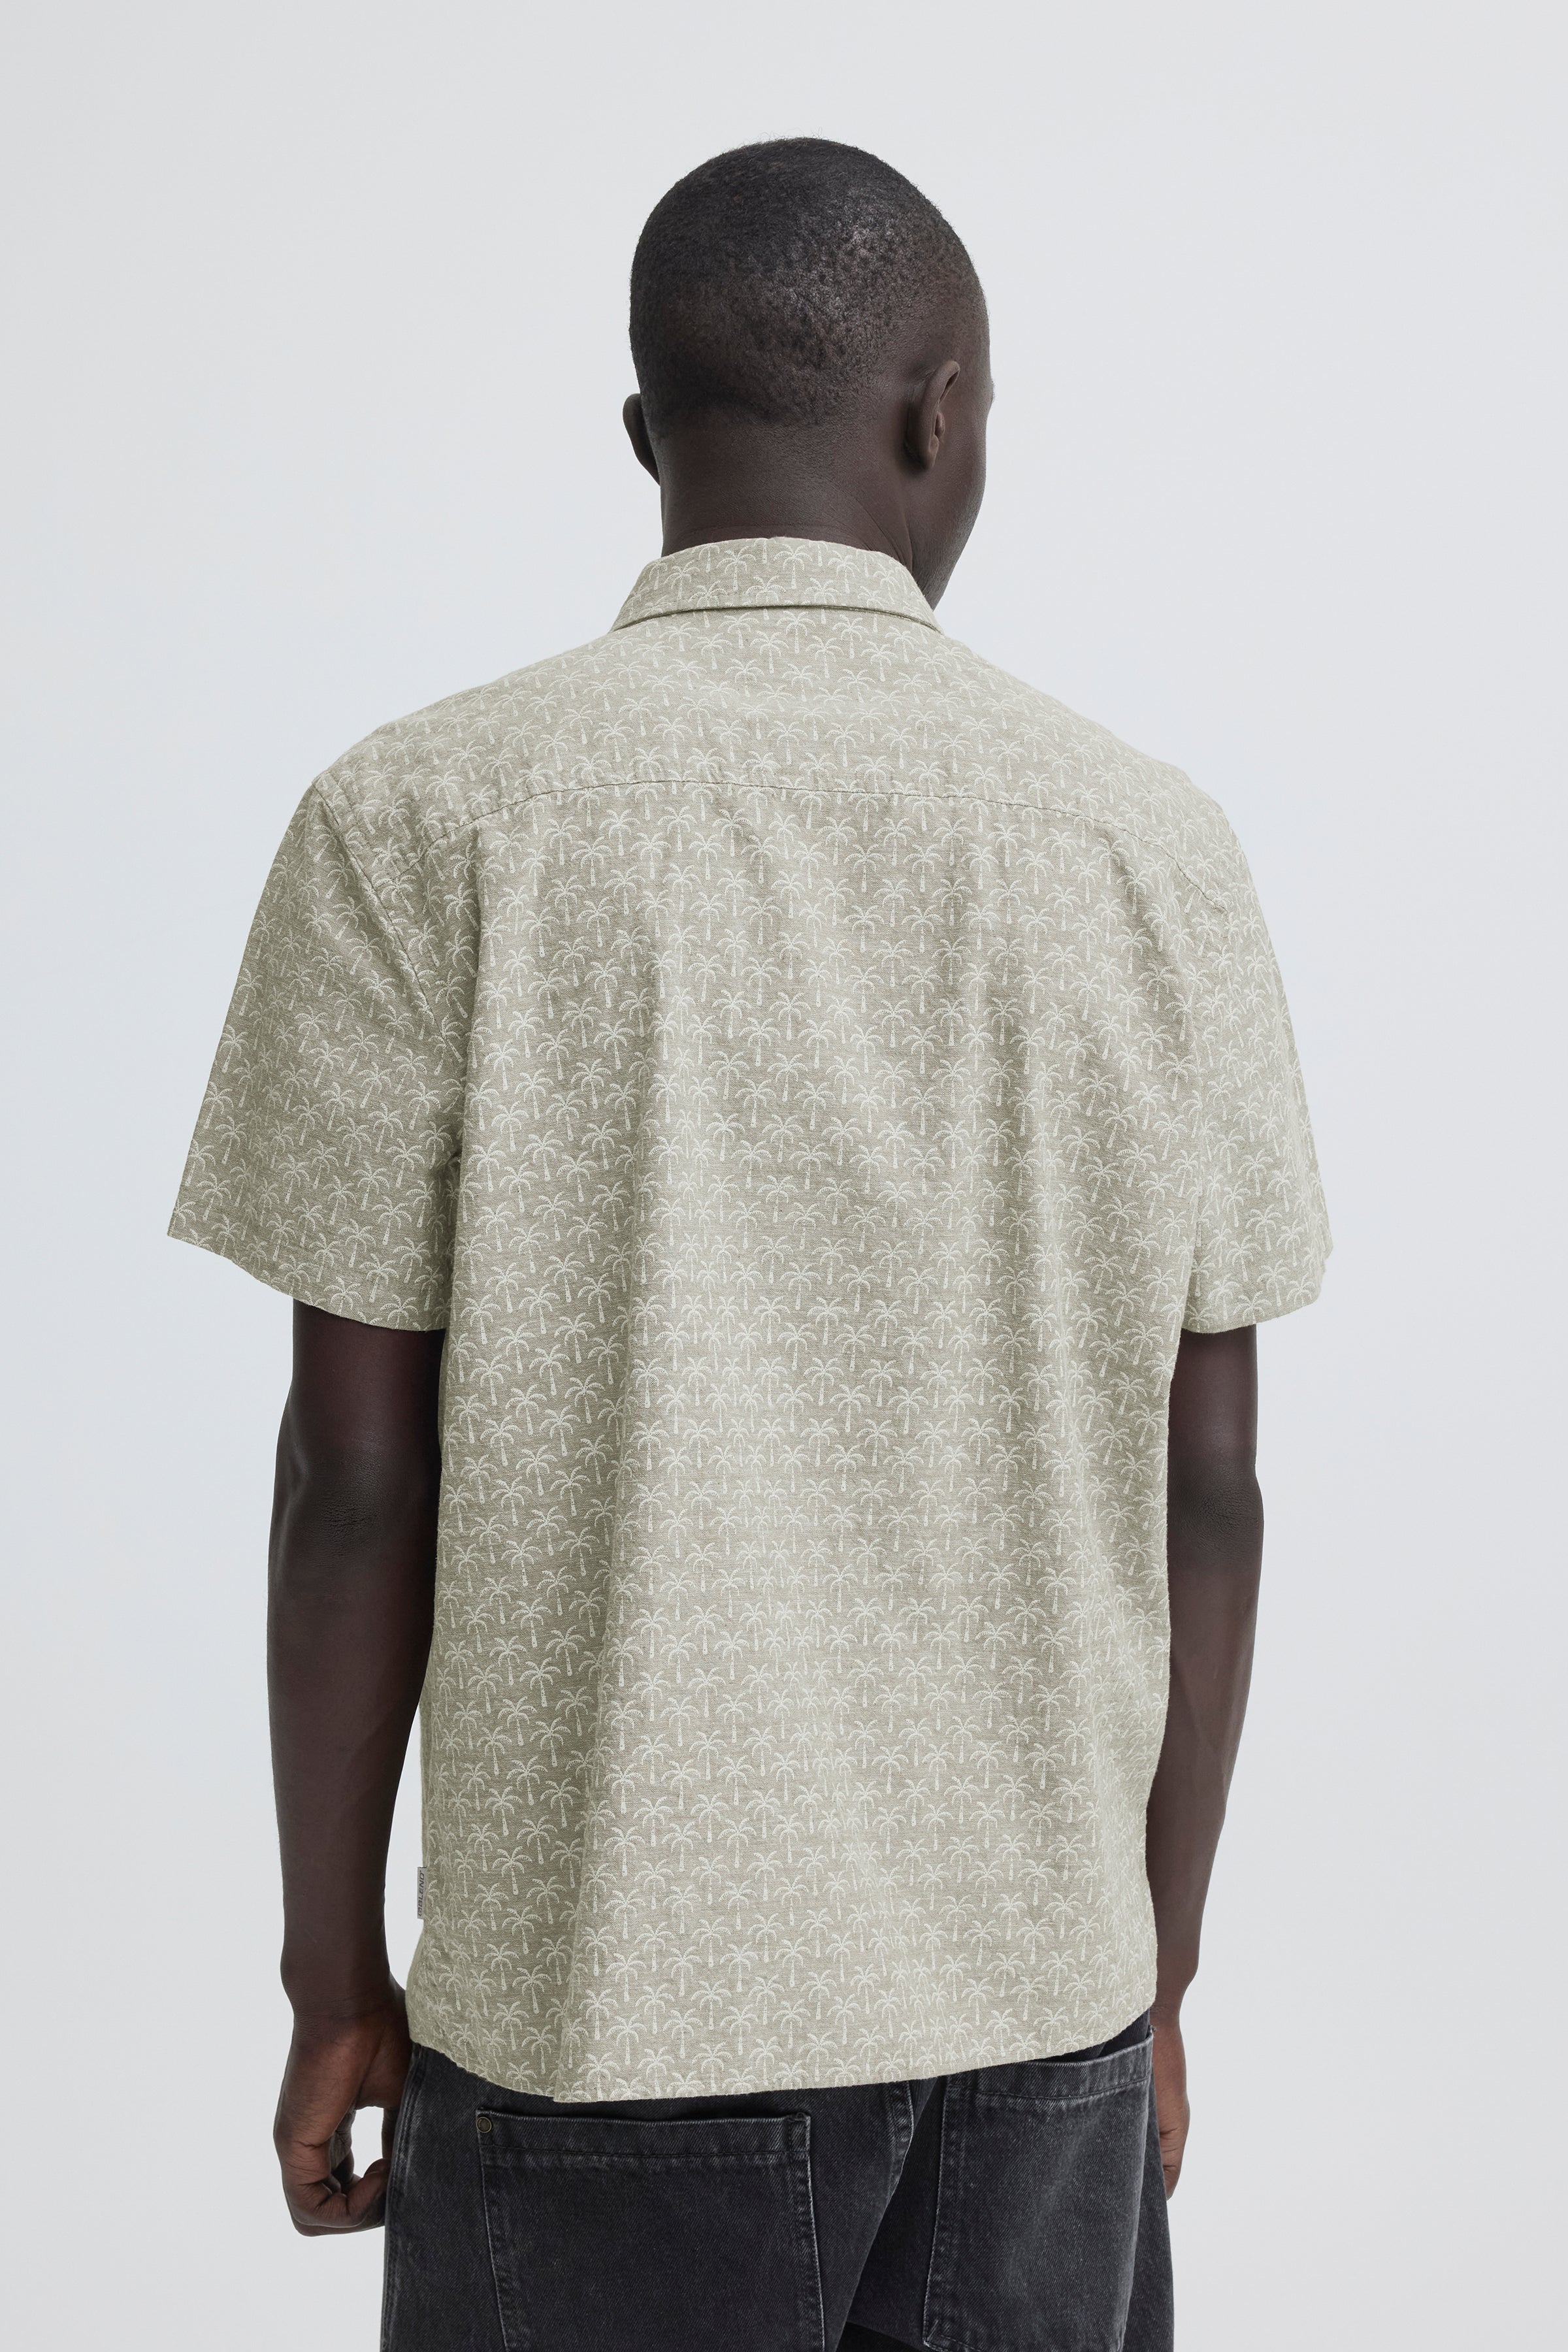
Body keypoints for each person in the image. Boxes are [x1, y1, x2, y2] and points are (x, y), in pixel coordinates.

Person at [172, 138, 1329, 2352]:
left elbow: (352, 1477)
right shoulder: (1153, 852)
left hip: (604, 2015)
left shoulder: (421, 821)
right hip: (1040, 2022)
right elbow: (1214, 1484)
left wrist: (334, 1976)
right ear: (942, 415)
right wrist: (1156, 1973)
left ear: (647, 436)